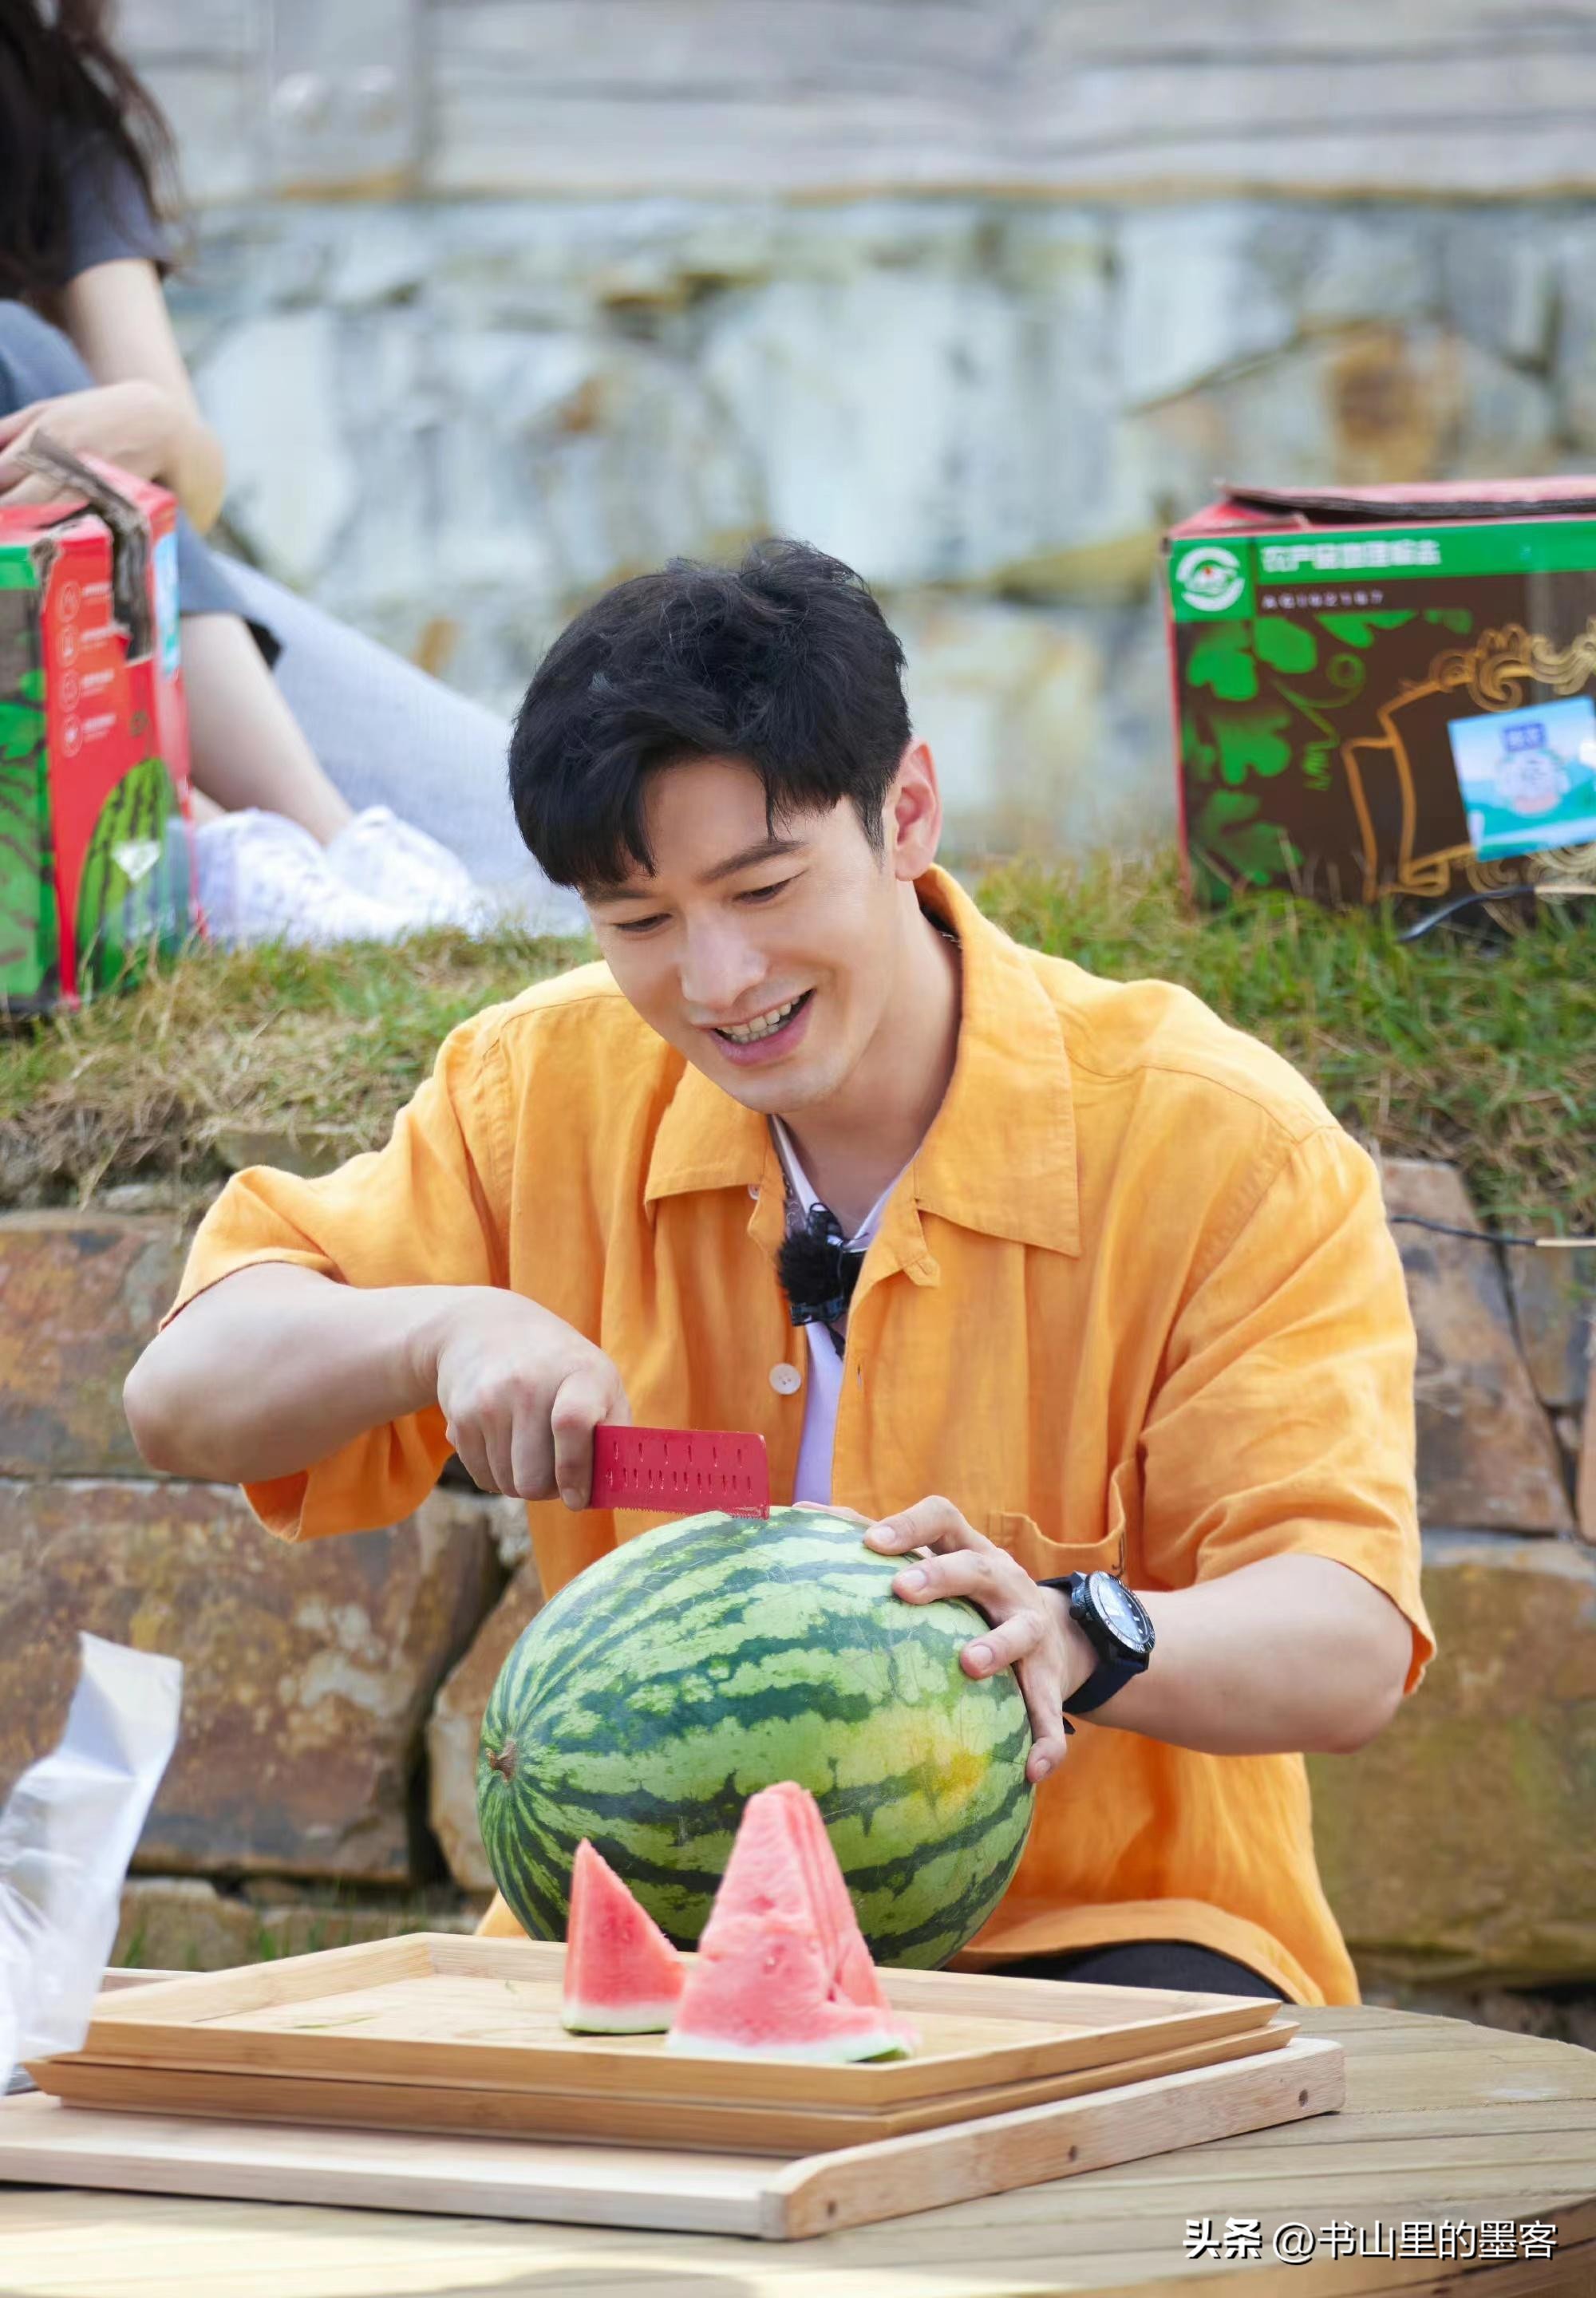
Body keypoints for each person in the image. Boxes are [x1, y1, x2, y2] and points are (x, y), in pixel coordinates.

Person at [124, 539, 1432, 2008]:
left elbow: (1346, 1640)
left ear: (907, 814)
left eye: (763, 886)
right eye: (639, 922)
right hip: (653, 1929)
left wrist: (1078, 1631)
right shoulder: (536, 1088)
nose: (719, 980)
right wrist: (440, 1331)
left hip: (1112, 1941)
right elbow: (182, 1395)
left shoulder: (1221, 1143)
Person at [0, 0, 583, 944]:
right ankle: (234, 847)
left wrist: (148, 421)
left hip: (112, 614)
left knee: (547, 848)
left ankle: (324, 842)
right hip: (45, 687)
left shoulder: (38, 101)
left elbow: (189, 493)